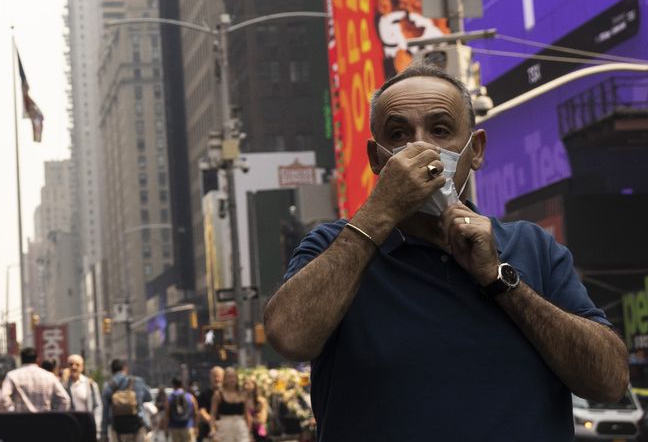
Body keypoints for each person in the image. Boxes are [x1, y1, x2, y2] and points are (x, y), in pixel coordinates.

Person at [264, 63, 629, 440]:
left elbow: (609, 382)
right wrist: (378, 215)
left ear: (477, 151)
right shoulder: (334, 247)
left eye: (440, 130)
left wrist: (499, 280)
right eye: (399, 134)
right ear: (376, 159)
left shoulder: (532, 247)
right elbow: (289, 337)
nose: (421, 148)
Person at [0, 346, 68, 412]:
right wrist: (56, 417)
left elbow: (3, 397)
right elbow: (65, 399)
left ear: (21, 359)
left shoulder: (12, 375)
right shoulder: (49, 376)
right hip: (45, 420)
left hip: (20, 420)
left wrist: (13, 410)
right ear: (37, 359)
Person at [102, 358, 151, 442]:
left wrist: (104, 434)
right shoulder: (137, 381)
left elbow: (105, 413)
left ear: (112, 370)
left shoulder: (108, 386)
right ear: (125, 368)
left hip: (117, 428)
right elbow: (148, 397)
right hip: (137, 425)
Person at [63, 354, 101, 436]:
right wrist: (63, 382)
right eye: (71, 364)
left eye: (77, 364)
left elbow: (98, 406)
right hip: (70, 429)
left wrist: (96, 426)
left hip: (87, 427)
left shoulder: (90, 384)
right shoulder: (63, 385)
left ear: (82, 367)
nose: (74, 367)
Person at [157, 376, 201, 442]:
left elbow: (167, 416)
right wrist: (196, 427)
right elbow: (196, 413)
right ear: (182, 385)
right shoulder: (190, 397)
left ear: (173, 385)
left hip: (174, 428)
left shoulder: (170, 399)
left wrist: (166, 430)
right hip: (188, 427)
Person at [195, 365, 224, 440]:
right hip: (207, 431)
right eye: (214, 376)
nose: (216, 379)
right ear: (210, 377)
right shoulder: (204, 394)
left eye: (219, 376)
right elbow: (202, 411)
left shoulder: (228, 394)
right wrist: (212, 423)